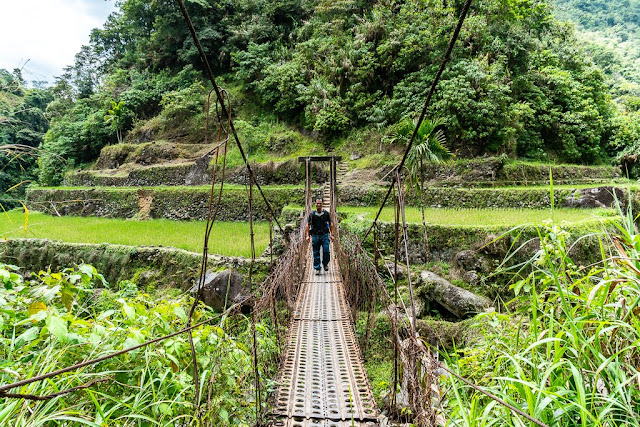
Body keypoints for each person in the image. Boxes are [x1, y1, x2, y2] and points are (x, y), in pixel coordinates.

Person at [305, 198, 334, 274]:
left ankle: (325, 263)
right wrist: (307, 235)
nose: (319, 205)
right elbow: (307, 225)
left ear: (322, 204)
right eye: (317, 203)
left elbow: (331, 224)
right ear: (315, 204)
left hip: (325, 235)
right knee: (316, 252)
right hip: (315, 235)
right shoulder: (311, 214)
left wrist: (331, 234)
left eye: (320, 203)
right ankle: (317, 268)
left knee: (326, 251)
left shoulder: (326, 214)